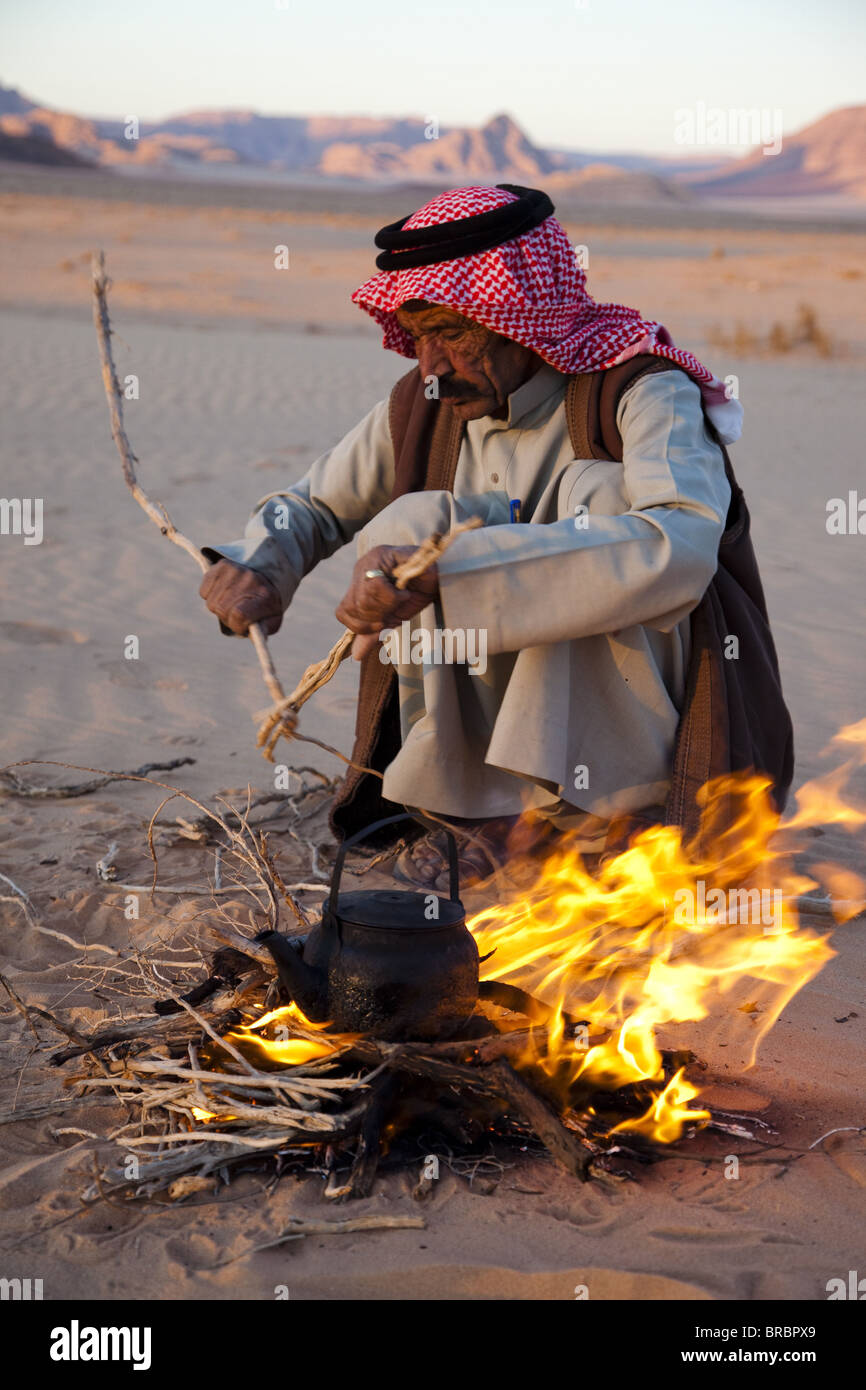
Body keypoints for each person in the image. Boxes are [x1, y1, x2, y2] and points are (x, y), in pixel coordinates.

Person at [200, 184, 792, 888]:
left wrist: (457, 571)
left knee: (593, 504)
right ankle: (476, 814)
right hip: (486, 787)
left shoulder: (639, 391)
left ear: (519, 315)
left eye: (452, 332)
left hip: (663, 761)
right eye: (418, 337)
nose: (430, 365)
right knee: (416, 525)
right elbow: (315, 505)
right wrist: (260, 564)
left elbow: (682, 548)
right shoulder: (426, 406)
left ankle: (613, 818)